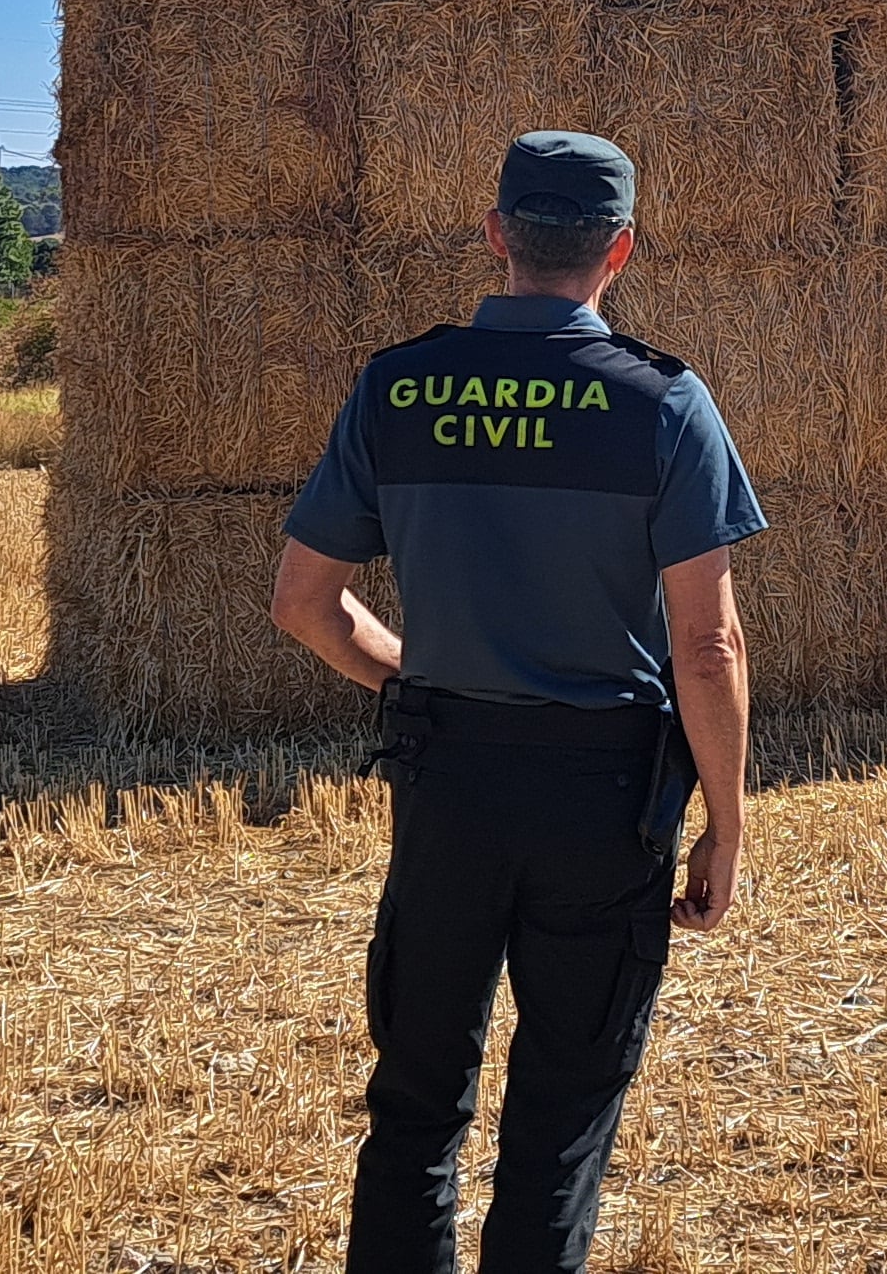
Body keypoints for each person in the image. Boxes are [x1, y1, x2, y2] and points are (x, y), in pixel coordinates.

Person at [272, 129, 764, 1274]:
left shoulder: (399, 384)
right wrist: (729, 823)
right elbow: (707, 640)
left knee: (416, 1097)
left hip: (447, 780)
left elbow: (304, 601)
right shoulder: (662, 401)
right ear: (620, 250)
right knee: (560, 1111)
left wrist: (420, 674)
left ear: (496, 233)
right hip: (604, 799)